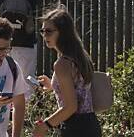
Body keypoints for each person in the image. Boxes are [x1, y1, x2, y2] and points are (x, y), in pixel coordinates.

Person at [31, 7, 101, 137]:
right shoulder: (80, 56)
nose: (45, 35)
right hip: (91, 124)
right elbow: (77, 89)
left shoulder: (62, 64)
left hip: (75, 127)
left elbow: (71, 107)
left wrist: (44, 126)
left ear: (63, 32)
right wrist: (51, 86)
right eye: (42, 31)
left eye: (49, 31)